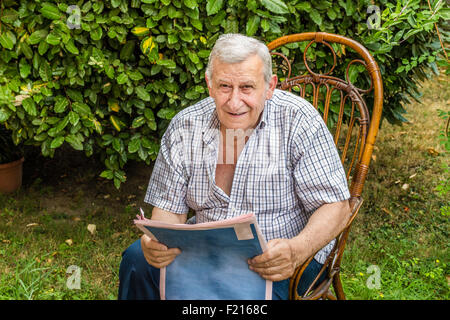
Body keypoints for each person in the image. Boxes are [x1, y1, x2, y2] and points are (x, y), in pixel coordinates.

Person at [118, 34, 351, 300]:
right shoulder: (186, 126)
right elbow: (167, 213)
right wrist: (156, 243)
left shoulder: (298, 120)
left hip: (278, 261)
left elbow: (336, 206)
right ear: (209, 84)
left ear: (270, 86)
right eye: (225, 86)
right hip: (207, 254)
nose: (234, 101)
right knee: (137, 258)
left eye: (247, 87)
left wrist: (296, 250)